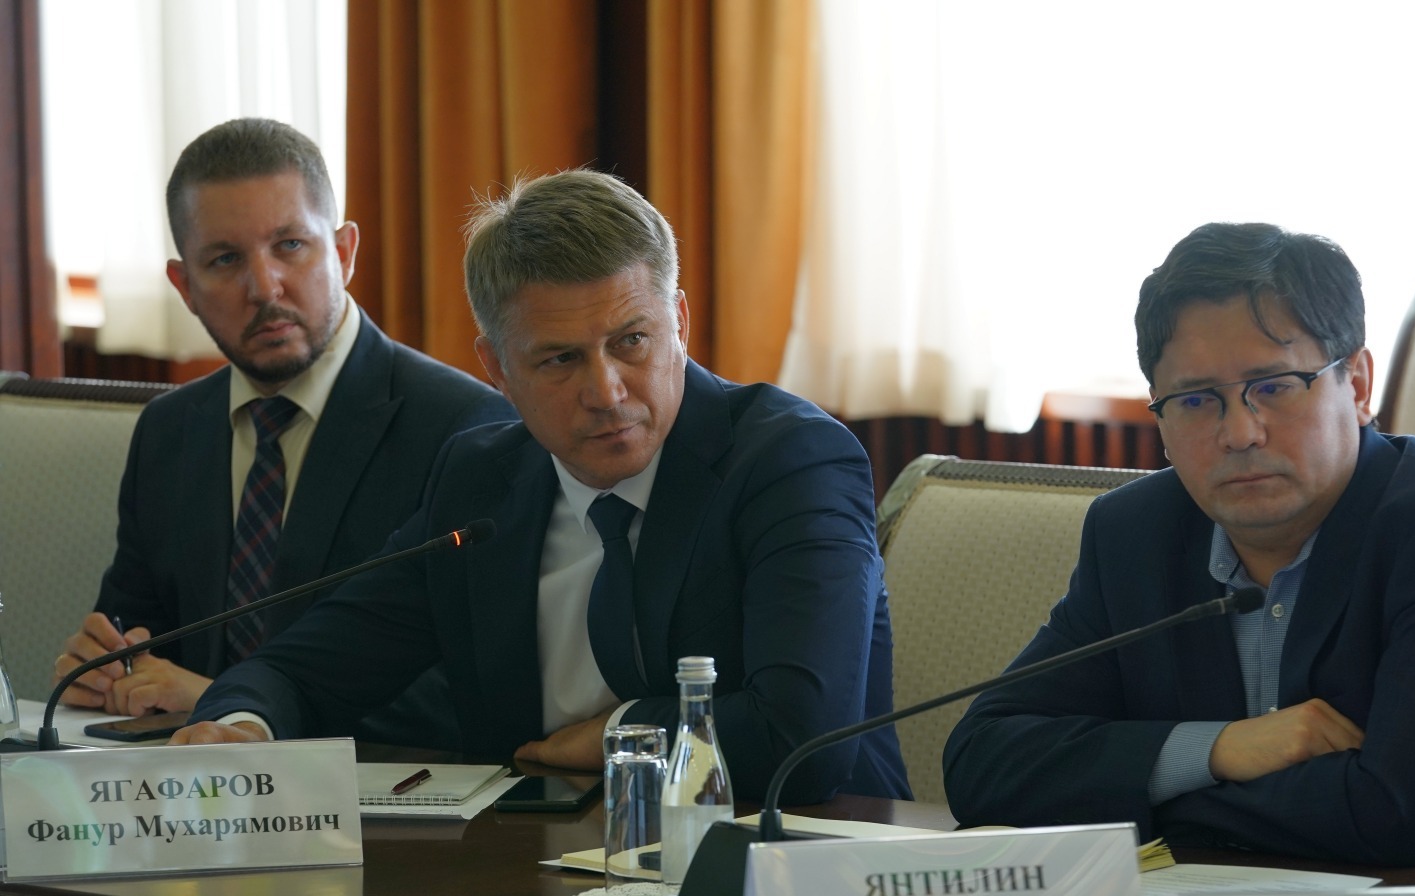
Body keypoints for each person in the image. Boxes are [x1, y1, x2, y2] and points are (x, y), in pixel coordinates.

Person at [171, 168, 911, 805]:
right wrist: (241, 729)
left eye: (631, 341)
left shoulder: (790, 462)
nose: (607, 391)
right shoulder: (480, 481)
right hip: (533, 867)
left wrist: (621, 733)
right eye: (560, 360)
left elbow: (803, 737)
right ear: (497, 368)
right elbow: (309, 666)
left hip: (788, 863)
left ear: (679, 321)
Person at [944, 222, 1415, 866]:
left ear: (1357, 385)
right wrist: (1222, 749)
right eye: (1195, 400)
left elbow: (1412, 814)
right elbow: (982, 761)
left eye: (1274, 387)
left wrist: (1152, 794)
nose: (1240, 433)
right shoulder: (1134, 533)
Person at [54, 118, 516, 746]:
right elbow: (139, 632)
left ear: (344, 252)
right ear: (185, 287)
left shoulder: (467, 429)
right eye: (225, 259)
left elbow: (470, 692)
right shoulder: (168, 430)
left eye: (291, 245)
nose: (264, 287)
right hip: (186, 783)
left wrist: (229, 700)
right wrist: (107, 667)